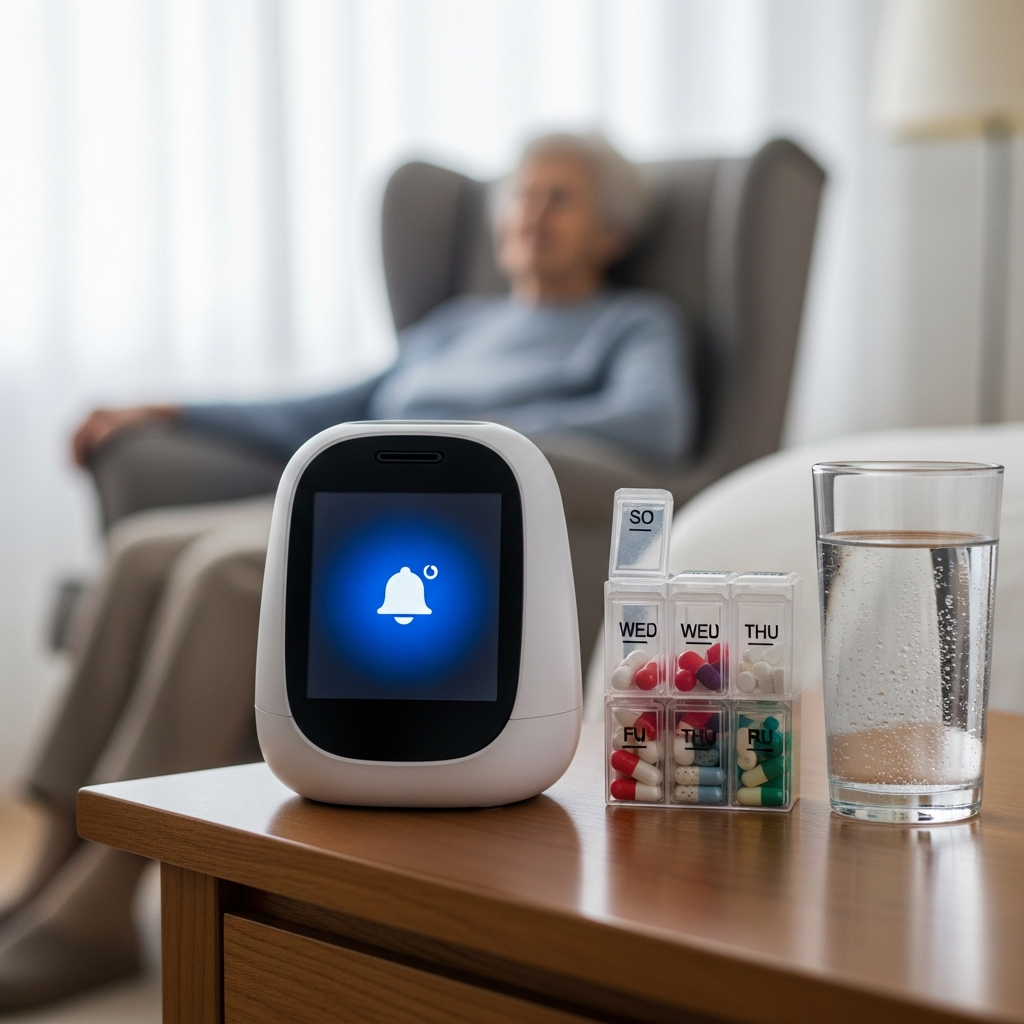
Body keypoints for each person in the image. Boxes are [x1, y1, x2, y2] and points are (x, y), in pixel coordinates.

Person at [0, 132, 697, 1009]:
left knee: (224, 573)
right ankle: (49, 863)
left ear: (610, 233)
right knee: (145, 549)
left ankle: (97, 908)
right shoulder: (460, 324)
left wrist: (471, 439)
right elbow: (334, 406)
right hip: (361, 495)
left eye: (559, 199)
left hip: (458, 521)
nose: (530, 214)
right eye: (521, 197)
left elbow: (654, 423)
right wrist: (171, 407)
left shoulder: (634, 322)